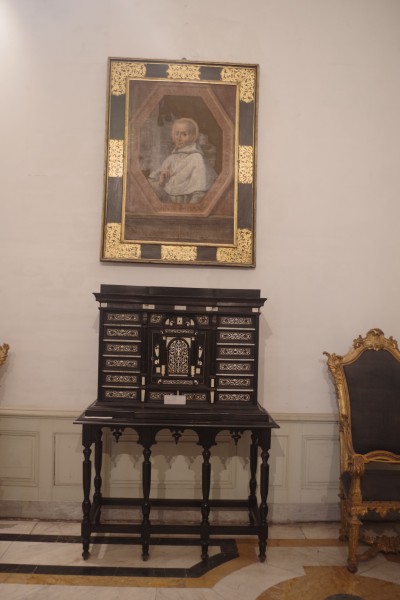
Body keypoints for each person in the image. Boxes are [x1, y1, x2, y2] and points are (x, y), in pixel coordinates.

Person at [148, 118, 217, 203]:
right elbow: (151, 184)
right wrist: (161, 182)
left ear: (193, 136)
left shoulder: (197, 158)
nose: (179, 138)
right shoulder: (171, 157)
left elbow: (199, 194)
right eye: (176, 134)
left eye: (184, 134)